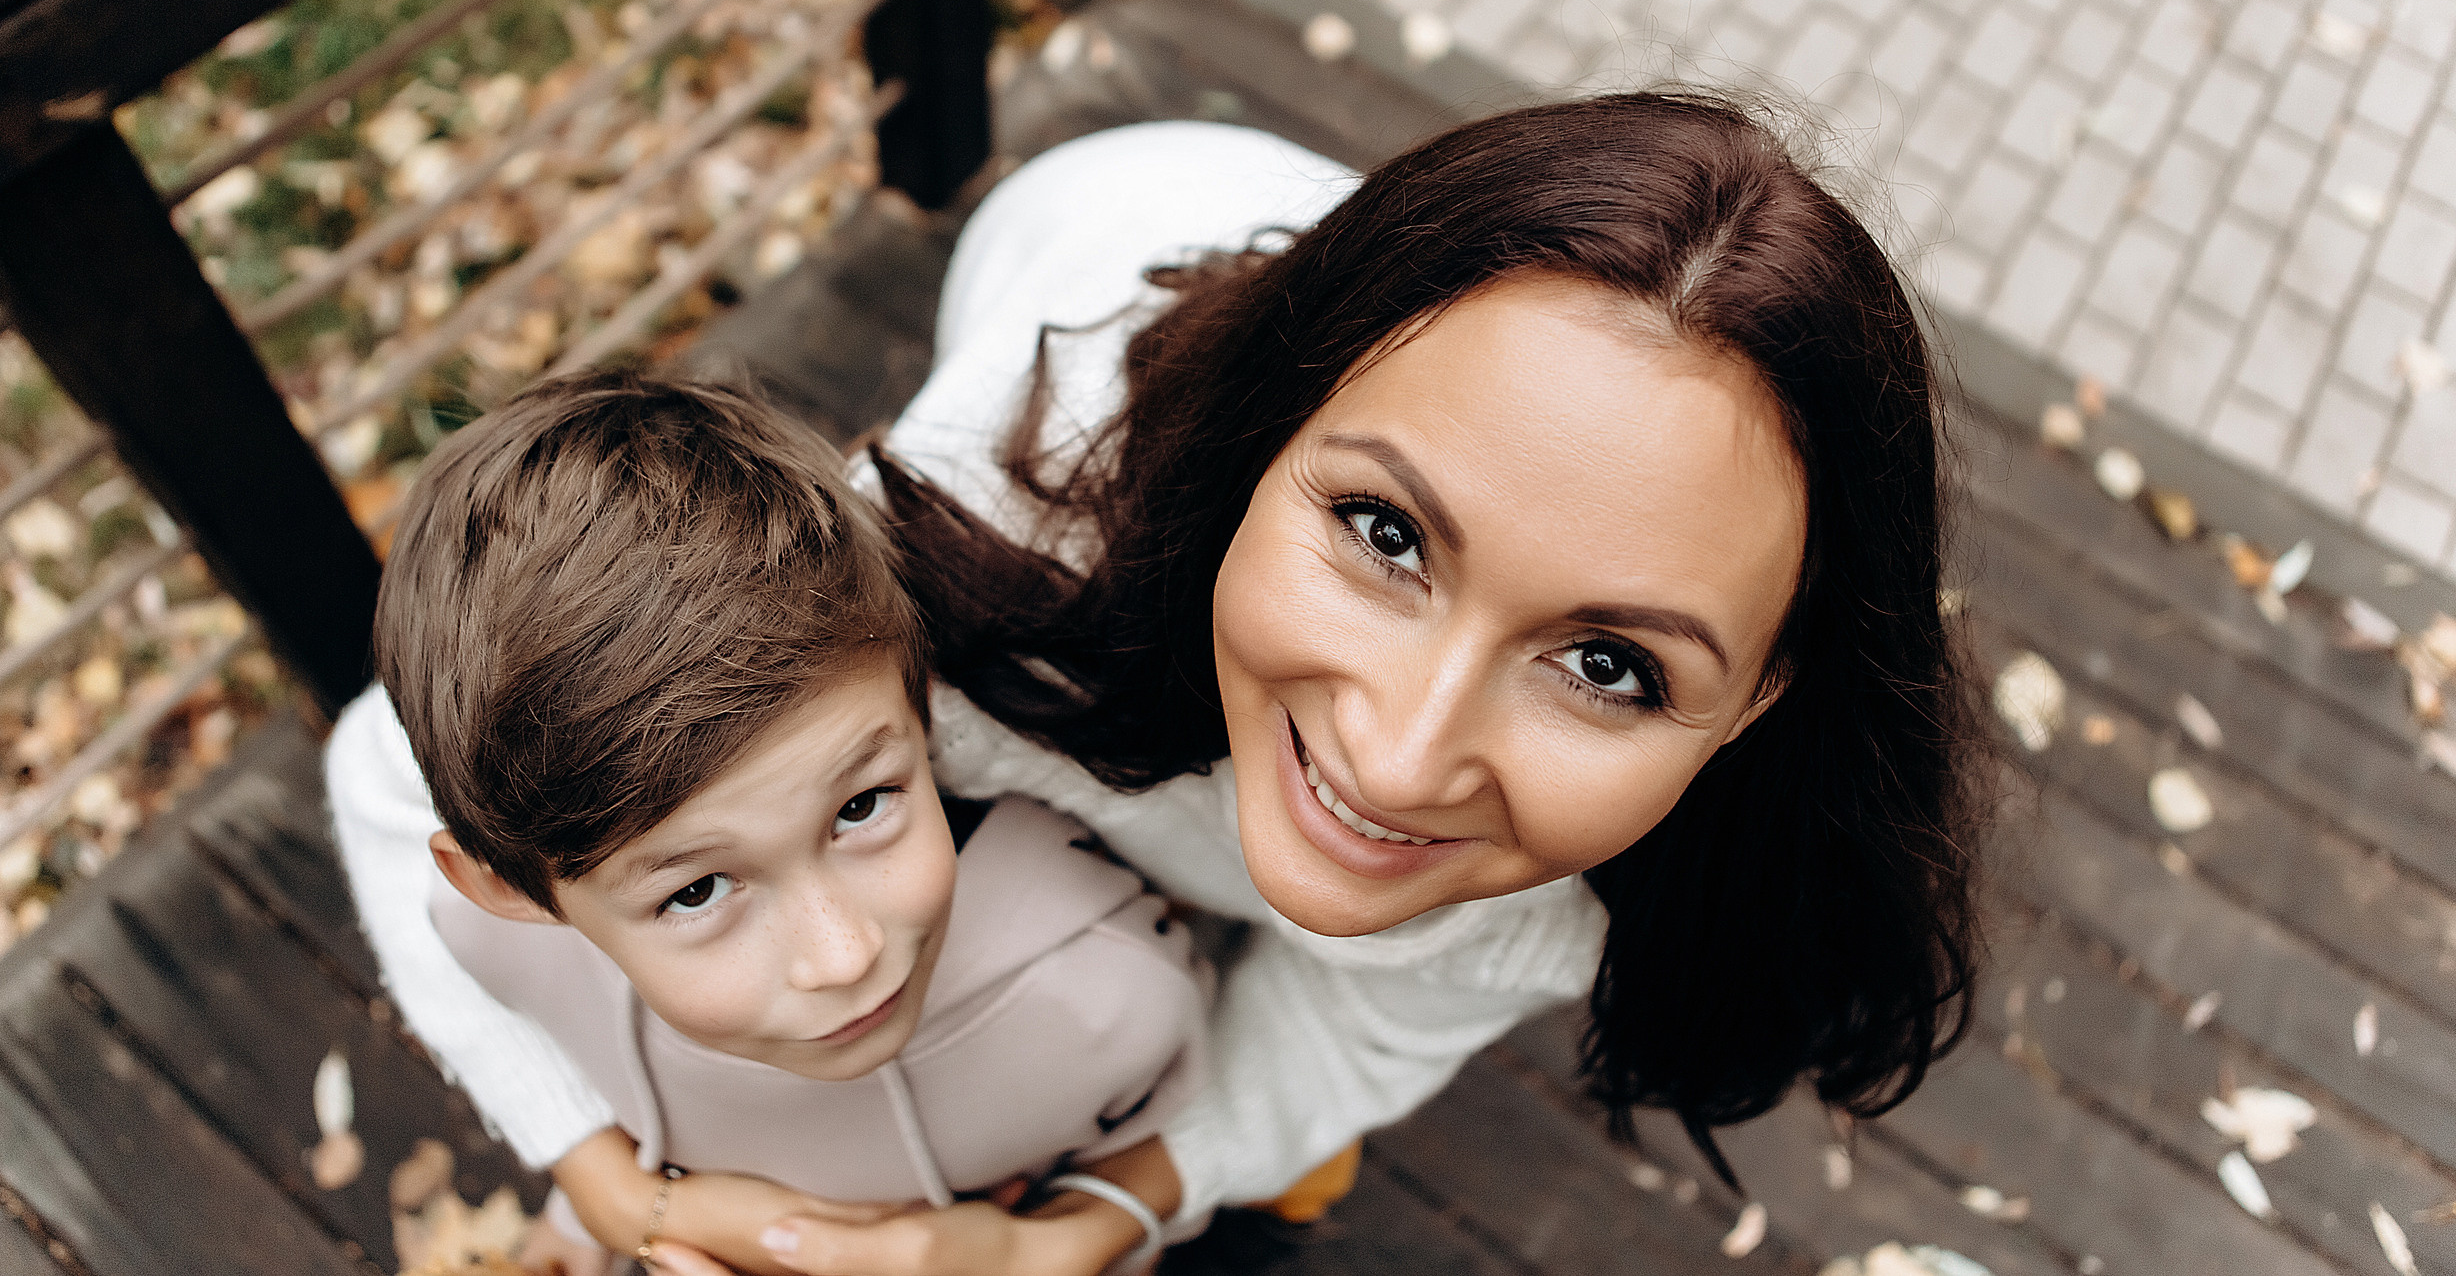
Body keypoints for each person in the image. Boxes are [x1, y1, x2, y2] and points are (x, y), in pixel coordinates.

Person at [328, 94, 1988, 1276]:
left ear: (1764, 697)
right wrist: (597, 1166)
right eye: (1384, 531)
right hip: (1108, 211)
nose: (1401, 756)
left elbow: (1356, 1017)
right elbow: (394, 762)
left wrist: (1106, 1213)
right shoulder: (973, 534)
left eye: (1610, 663)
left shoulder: (1634, 879)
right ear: (1265, 438)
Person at [365, 373, 1207, 1276]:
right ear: (510, 887)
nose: (843, 956)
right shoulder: (489, 943)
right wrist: (600, 1206)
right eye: (695, 891)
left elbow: (1180, 1137)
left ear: (921, 701)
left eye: (860, 806)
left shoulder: (1112, 997)